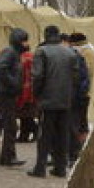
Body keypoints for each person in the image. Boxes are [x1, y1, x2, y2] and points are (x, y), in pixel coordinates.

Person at [27, 25, 79, 178]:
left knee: (44, 134)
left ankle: (40, 167)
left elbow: (37, 76)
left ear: (46, 35)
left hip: (48, 100)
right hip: (65, 99)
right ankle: (60, 167)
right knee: (62, 134)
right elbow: (76, 77)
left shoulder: (42, 52)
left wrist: (37, 94)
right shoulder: (70, 53)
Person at [0, 28, 30, 167]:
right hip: (4, 93)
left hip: (6, 92)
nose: (26, 43)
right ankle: (8, 157)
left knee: (10, 125)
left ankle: (7, 156)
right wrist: (13, 84)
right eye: (24, 40)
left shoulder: (14, 53)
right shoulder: (10, 52)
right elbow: (1, 68)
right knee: (11, 125)